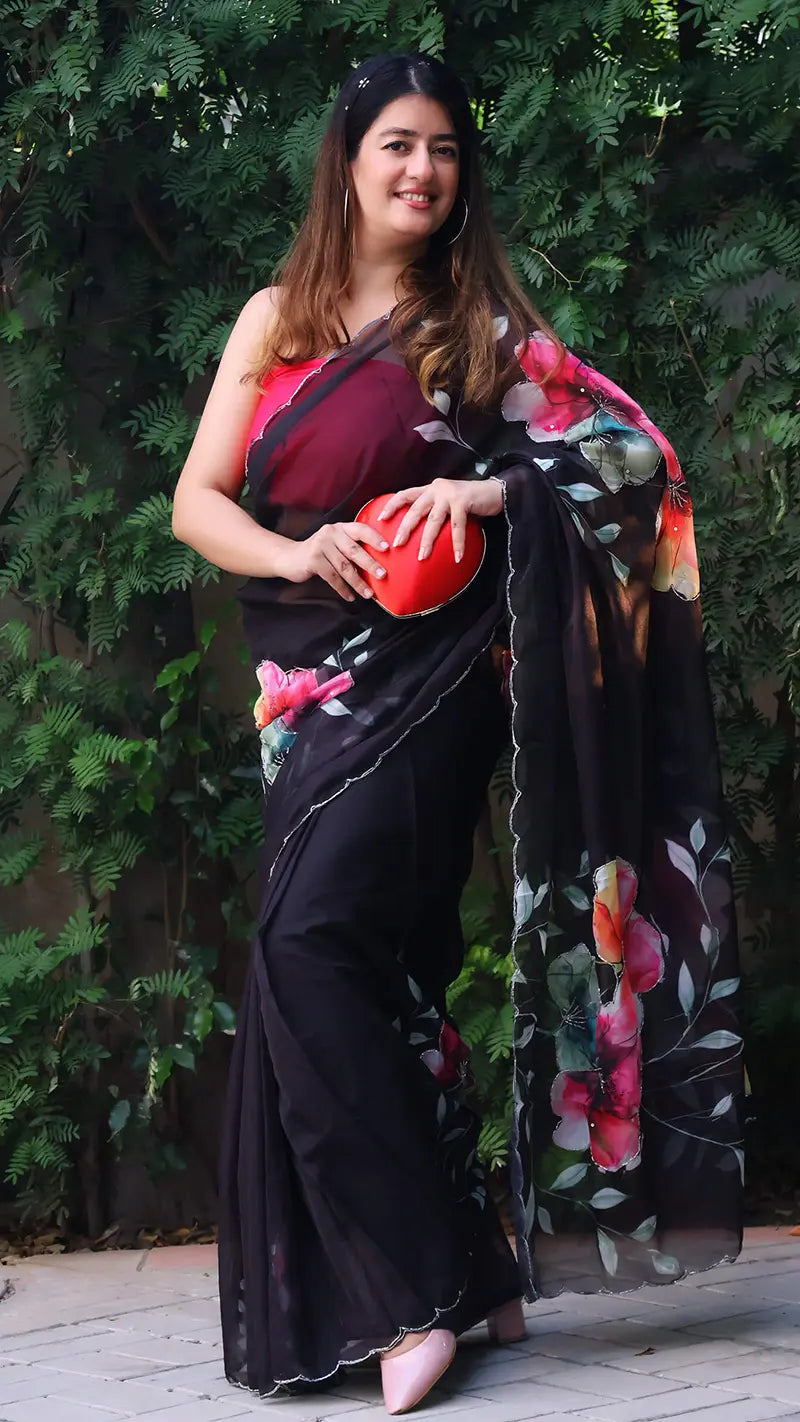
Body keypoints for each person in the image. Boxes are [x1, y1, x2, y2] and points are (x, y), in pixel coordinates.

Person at [172, 51, 744, 1414]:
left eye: (442, 149)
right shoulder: (275, 320)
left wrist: (490, 496)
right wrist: (301, 561)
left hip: (437, 683)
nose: (423, 169)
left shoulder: (474, 325)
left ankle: (413, 1287)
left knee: (305, 945)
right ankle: (476, 1271)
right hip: (302, 690)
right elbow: (198, 501)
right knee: (377, 964)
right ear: (349, 162)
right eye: (397, 146)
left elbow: (630, 464)